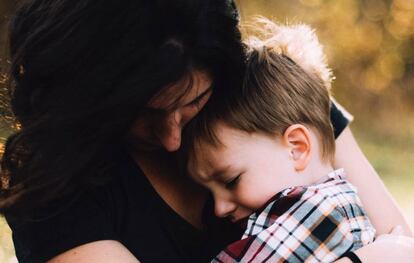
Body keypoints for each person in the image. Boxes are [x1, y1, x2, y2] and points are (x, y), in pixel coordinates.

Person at [0, 1, 412, 262]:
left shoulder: (269, 100)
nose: (172, 139)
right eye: (140, 113)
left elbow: (404, 246)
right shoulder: (55, 192)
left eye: (193, 102)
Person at [185, 21, 376, 262]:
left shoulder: (319, 212)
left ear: (297, 147)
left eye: (231, 181)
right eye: (209, 193)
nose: (219, 209)